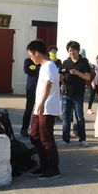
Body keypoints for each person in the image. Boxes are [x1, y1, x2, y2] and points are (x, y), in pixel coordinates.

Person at [26, 40, 61, 179]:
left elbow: (48, 84)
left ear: (37, 53)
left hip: (47, 107)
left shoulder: (49, 66)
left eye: (31, 55)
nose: (30, 58)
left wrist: (42, 102)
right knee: (34, 135)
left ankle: (53, 168)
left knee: (46, 138)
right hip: (39, 107)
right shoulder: (44, 66)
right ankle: (44, 164)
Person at [60, 40, 91, 146]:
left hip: (78, 94)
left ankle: (82, 139)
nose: (71, 53)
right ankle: (65, 139)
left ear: (78, 51)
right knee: (66, 118)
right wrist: (61, 77)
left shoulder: (84, 62)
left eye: (73, 50)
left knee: (80, 117)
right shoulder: (65, 62)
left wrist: (77, 72)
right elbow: (61, 75)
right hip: (66, 93)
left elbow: (88, 77)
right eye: (69, 51)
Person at [20, 55, 40, 137]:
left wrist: (34, 68)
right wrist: (37, 69)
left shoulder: (41, 61)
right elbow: (26, 70)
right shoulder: (27, 61)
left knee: (40, 109)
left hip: (40, 87)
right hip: (31, 87)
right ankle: (24, 129)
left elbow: (42, 70)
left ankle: (37, 129)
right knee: (29, 108)